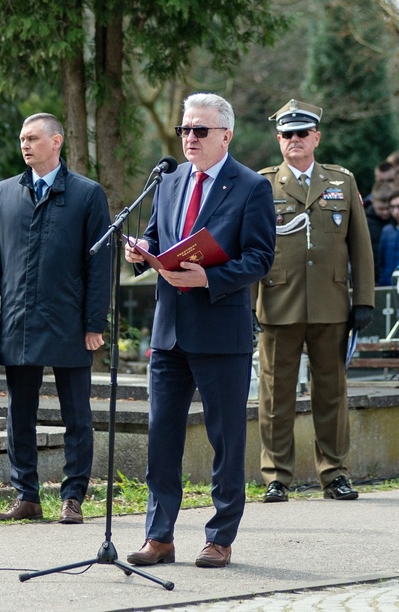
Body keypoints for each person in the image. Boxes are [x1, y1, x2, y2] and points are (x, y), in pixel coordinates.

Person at [123, 93, 276, 568]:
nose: (189, 137)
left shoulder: (250, 186)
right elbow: (156, 233)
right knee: (161, 436)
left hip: (220, 332)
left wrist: (209, 277)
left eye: (200, 130)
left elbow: (260, 257)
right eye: (185, 130)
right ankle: (159, 536)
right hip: (169, 332)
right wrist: (141, 248)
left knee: (226, 439)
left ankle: (220, 536)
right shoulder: (167, 181)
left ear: (225, 135)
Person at [0, 113, 110, 524]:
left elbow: (99, 267)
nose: (25, 145)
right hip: (17, 319)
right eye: (21, 139)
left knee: (76, 415)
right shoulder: (4, 193)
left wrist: (94, 324)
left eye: (33, 138)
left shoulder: (88, 195)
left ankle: (73, 497)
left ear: (57, 142)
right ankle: (26, 495)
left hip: (69, 322)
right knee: (20, 413)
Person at [255, 99, 374, 504]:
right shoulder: (263, 184)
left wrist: (365, 301)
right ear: (278, 140)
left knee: (331, 393)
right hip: (278, 302)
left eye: (302, 133)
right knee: (275, 394)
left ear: (316, 137)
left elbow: (361, 245)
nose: (294, 140)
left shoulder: (342, 181)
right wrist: (248, 303)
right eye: (287, 134)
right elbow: (251, 247)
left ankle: (335, 474)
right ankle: (276, 477)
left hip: (331, 302)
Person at [366, 181, 394, 284]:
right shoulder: (364, 222)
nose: (385, 212)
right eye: (381, 209)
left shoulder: (397, 223)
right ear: (373, 201)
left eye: (388, 208)